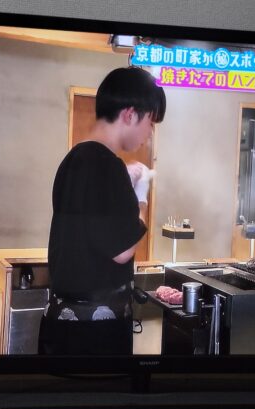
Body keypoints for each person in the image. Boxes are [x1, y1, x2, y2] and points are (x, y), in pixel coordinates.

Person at [39, 67, 166, 355]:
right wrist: (140, 198)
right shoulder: (107, 164)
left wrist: (125, 188)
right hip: (94, 333)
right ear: (130, 115)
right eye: (150, 122)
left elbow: (94, 223)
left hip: (62, 324)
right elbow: (122, 250)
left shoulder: (74, 158)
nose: (149, 134)